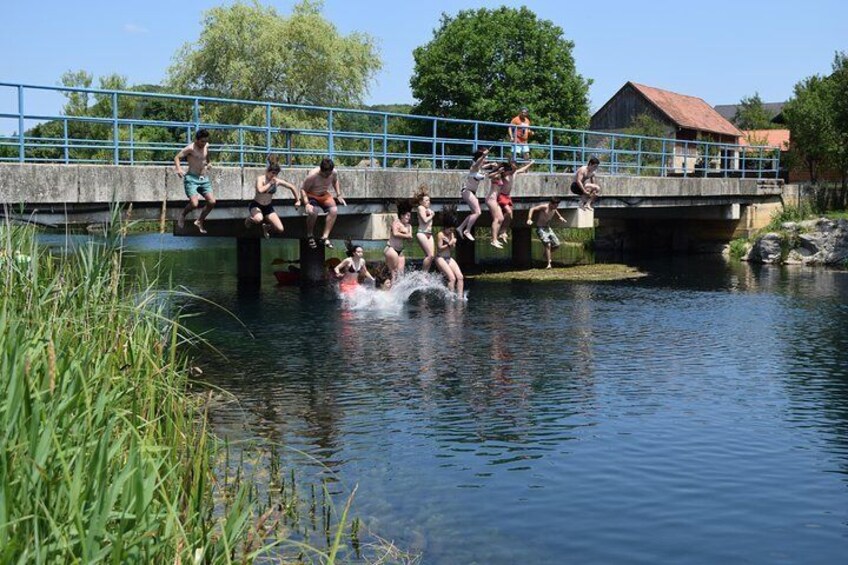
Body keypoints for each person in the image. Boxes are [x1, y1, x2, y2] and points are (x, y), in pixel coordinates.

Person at [246, 155, 299, 238]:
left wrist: (297, 200)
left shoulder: (277, 181)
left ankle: (267, 227)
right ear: (267, 171)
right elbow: (260, 190)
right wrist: (270, 183)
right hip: (256, 205)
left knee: (280, 229)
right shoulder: (261, 179)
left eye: (276, 174)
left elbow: (292, 187)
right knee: (258, 219)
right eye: (272, 173)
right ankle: (249, 219)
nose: (273, 176)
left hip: (268, 207)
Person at [174, 129, 215, 234]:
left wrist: (209, 163)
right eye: (202, 141)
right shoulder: (190, 148)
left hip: (203, 178)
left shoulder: (206, 146)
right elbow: (177, 157)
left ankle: (200, 221)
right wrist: (178, 169)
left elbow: (207, 155)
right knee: (194, 203)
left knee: (212, 202)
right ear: (196, 140)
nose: (204, 143)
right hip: (191, 178)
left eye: (205, 141)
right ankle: (183, 215)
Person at [486, 159, 534, 248]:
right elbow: (490, 175)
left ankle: (502, 231)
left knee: (510, 216)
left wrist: (530, 164)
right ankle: (496, 236)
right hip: (500, 197)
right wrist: (499, 169)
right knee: (506, 213)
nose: (511, 171)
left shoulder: (512, 174)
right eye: (510, 169)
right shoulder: (503, 175)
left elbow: (520, 169)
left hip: (507, 196)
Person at [300, 157, 346, 249]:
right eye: (326, 174)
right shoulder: (313, 175)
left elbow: (335, 181)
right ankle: (310, 234)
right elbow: (303, 189)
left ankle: (325, 236)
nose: (328, 176)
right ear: (321, 170)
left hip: (324, 195)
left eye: (329, 173)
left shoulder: (333, 172)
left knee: (334, 210)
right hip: (312, 194)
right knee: (314, 211)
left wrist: (338, 194)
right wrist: (306, 204)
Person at [456, 147, 498, 241]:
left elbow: (484, 166)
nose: (486, 160)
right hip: (467, 191)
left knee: (474, 213)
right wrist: (483, 155)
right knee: (478, 212)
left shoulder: (479, 168)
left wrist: (492, 165)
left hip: (472, 192)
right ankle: (467, 230)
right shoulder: (474, 167)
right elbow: (479, 163)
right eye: (485, 158)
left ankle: (460, 228)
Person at [527, 197, 568, 269]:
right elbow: (532, 209)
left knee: (557, 245)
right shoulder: (544, 207)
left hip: (548, 228)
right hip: (541, 228)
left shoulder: (554, 208)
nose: (556, 207)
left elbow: (556, 210)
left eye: (557, 206)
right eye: (555, 205)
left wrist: (560, 217)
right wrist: (529, 219)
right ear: (551, 204)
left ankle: (546, 255)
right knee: (548, 244)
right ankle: (549, 263)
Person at [435, 204, 464, 299]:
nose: (451, 231)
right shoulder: (440, 234)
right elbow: (439, 248)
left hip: (448, 257)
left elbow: (452, 248)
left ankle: (460, 297)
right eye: (450, 229)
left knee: (460, 277)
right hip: (440, 258)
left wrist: (452, 244)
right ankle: (450, 298)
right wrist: (448, 244)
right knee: (452, 278)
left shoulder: (451, 234)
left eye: (452, 229)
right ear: (446, 227)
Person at [384, 199, 414, 280]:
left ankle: (398, 291)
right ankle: (391, 290)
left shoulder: (409, 226)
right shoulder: (396, 223)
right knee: (394, 272)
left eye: (409, 216)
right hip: (391, 249)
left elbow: (410, 238)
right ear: (401, 215)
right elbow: (395, 233)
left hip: (400, 251)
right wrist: (406, 235)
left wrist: (408, 237)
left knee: (401, 274)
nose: (409, 217)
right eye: (407, 216)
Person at [414, 186, 436, 272]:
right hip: (422, 233)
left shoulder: (428, 209)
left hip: (429, 234)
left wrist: (430, 213)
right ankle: (422, 274)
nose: (428, 202)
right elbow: (425, 220)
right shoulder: (420, 208)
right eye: (426, 200)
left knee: (432, 256)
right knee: (429, 255)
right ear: (421, 202)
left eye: (429, 200)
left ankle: (425, 274)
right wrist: (432, 215)